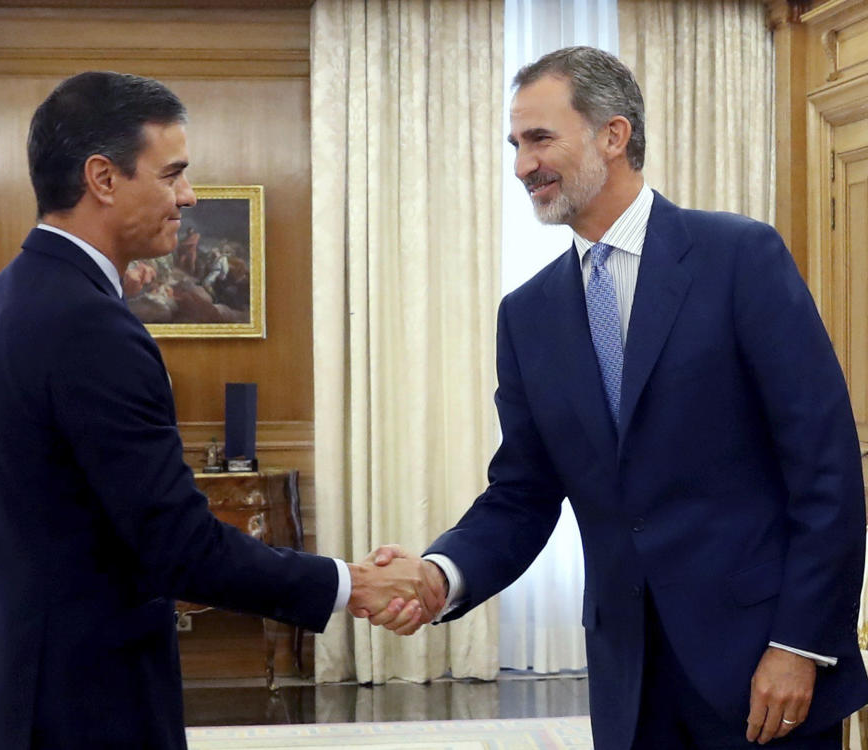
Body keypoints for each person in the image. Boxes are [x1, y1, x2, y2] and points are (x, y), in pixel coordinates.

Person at [367, 47, 868, 749]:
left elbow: (826, 469)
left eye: (540, 139)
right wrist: (438, 573)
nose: (521, 165)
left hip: (766, 667)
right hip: (630, 683)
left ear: (613, 134)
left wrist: (801, 643)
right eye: (516, 144)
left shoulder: (739, 258)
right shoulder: (529, 314)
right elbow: (522, 492)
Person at [0, 71, 441, 750]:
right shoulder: (91, 326)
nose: (189, 195)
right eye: (173, 172)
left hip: (5, 693)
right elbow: (179, 549)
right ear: (103, 178)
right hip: (86, 709)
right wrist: (349, 583)